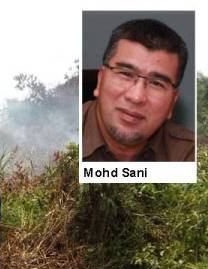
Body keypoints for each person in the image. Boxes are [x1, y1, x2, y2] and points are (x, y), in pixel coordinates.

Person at [83, 18, 194, 162]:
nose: (136, 97)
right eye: (126, 74)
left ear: (172, 102)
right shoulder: (55, 140)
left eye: (156, 83)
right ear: (100, 80)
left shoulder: (192, 155)